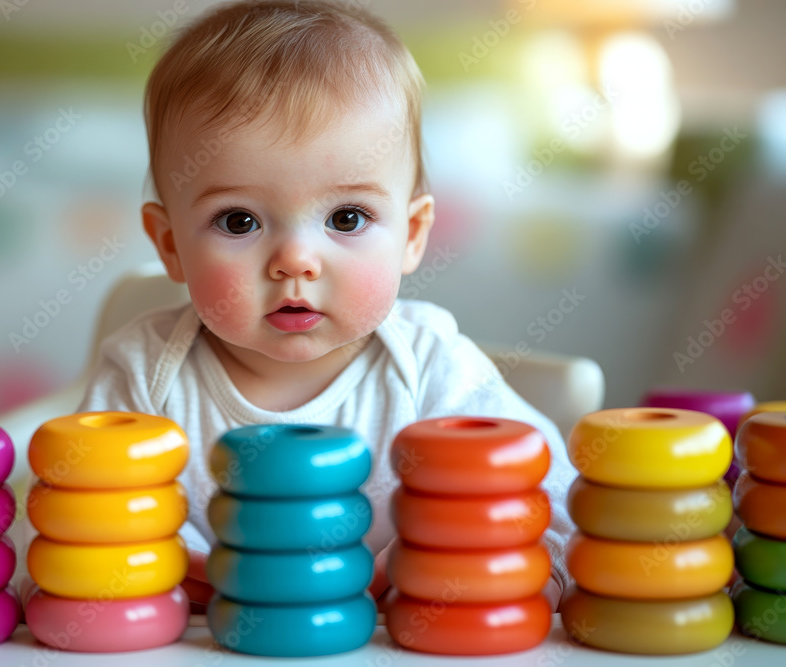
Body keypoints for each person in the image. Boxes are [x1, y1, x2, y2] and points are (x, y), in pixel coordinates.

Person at [79, 0, 576, 612]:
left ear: (412, 235)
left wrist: (476, 560)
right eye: (239, 220)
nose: (295, 260)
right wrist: (187, 564)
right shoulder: (144, 375)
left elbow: (549, 498)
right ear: (171, 246)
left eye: (347, 217)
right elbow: (90, 511)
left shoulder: (431, 367)